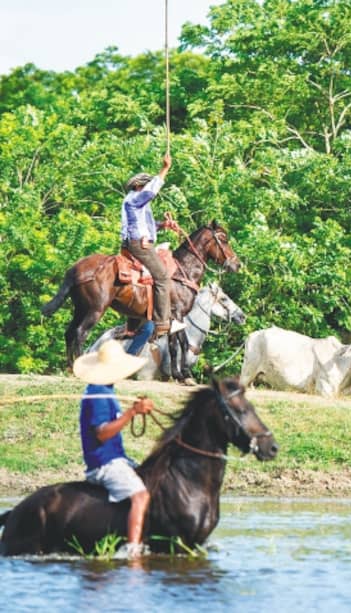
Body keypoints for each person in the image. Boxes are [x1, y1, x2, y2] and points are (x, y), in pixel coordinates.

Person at [74, 339, 156, 559]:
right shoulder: (98, 393)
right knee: (140, 496)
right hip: (104, 463)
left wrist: (136, 410)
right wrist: (131, 413)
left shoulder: (106, 390)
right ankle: (133, 551)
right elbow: (102, 433)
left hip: (117, 459)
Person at [121, 152, 185, 337]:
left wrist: (163, 225)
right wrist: (165, 169)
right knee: (163, 277)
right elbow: (151, 192)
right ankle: (163, 322)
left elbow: (145, 225)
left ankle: (136, 322)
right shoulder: (135, 198)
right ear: (138, 186)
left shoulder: (135, 204)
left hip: (136, 241)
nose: (147, 187)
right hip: (139, 244)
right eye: (145, 184)